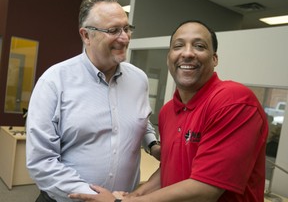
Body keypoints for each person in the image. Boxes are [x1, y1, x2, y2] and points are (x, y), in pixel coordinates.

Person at [69, 20, 269, 202]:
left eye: (199, 46)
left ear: (214, 59)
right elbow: (168, 170)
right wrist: (135, 194)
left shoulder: (233, 101)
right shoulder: (167, 112)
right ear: (169, 58)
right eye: (178, 46)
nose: (188, 53)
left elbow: (205, 190)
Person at [26, 0, 160, 202]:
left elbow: (142, 120)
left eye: (126, 28)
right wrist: (95, 197)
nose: (124, 38)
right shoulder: (53, 82)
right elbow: (42, 162)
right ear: (86, 35)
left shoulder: (139, 80)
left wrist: (153, 144)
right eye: (114, 30)